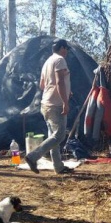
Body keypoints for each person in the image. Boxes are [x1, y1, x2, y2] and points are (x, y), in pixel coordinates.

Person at [25, 38, 73, 174]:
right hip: (55, 104)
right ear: (62, 48)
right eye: (66, 49)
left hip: (45, 103)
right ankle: (32, 156)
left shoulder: (47, 62)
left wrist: (67, 91)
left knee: (53, 136)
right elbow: (59, 82)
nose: (67, 52)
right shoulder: (59, 60)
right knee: (59, 136)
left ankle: (58, 167)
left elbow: (42, 85)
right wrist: (65, 102)